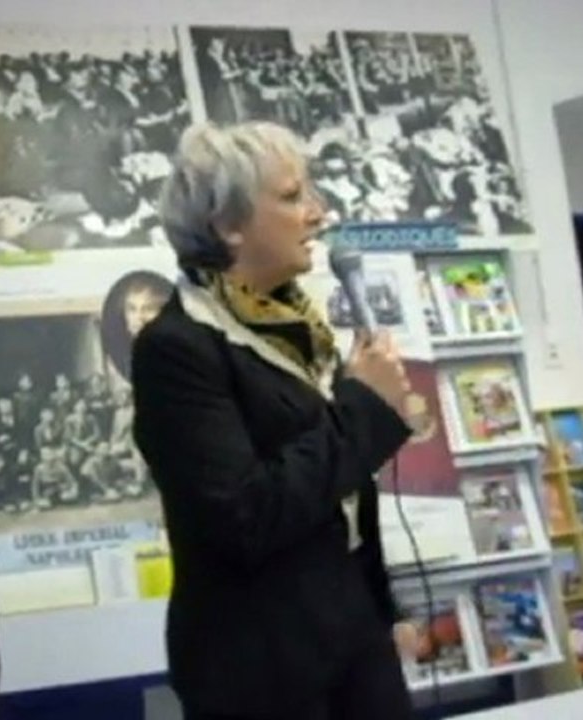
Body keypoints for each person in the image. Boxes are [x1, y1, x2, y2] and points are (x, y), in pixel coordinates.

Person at [131, 121, 419, 720]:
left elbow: (341, 509)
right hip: (261, 674)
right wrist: (364, 409)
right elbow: (245, 516)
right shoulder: (179, 347)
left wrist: (384, 615)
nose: (318, 212)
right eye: (292, 197)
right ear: (226, 224)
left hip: (354, 645)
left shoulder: (298, 330)